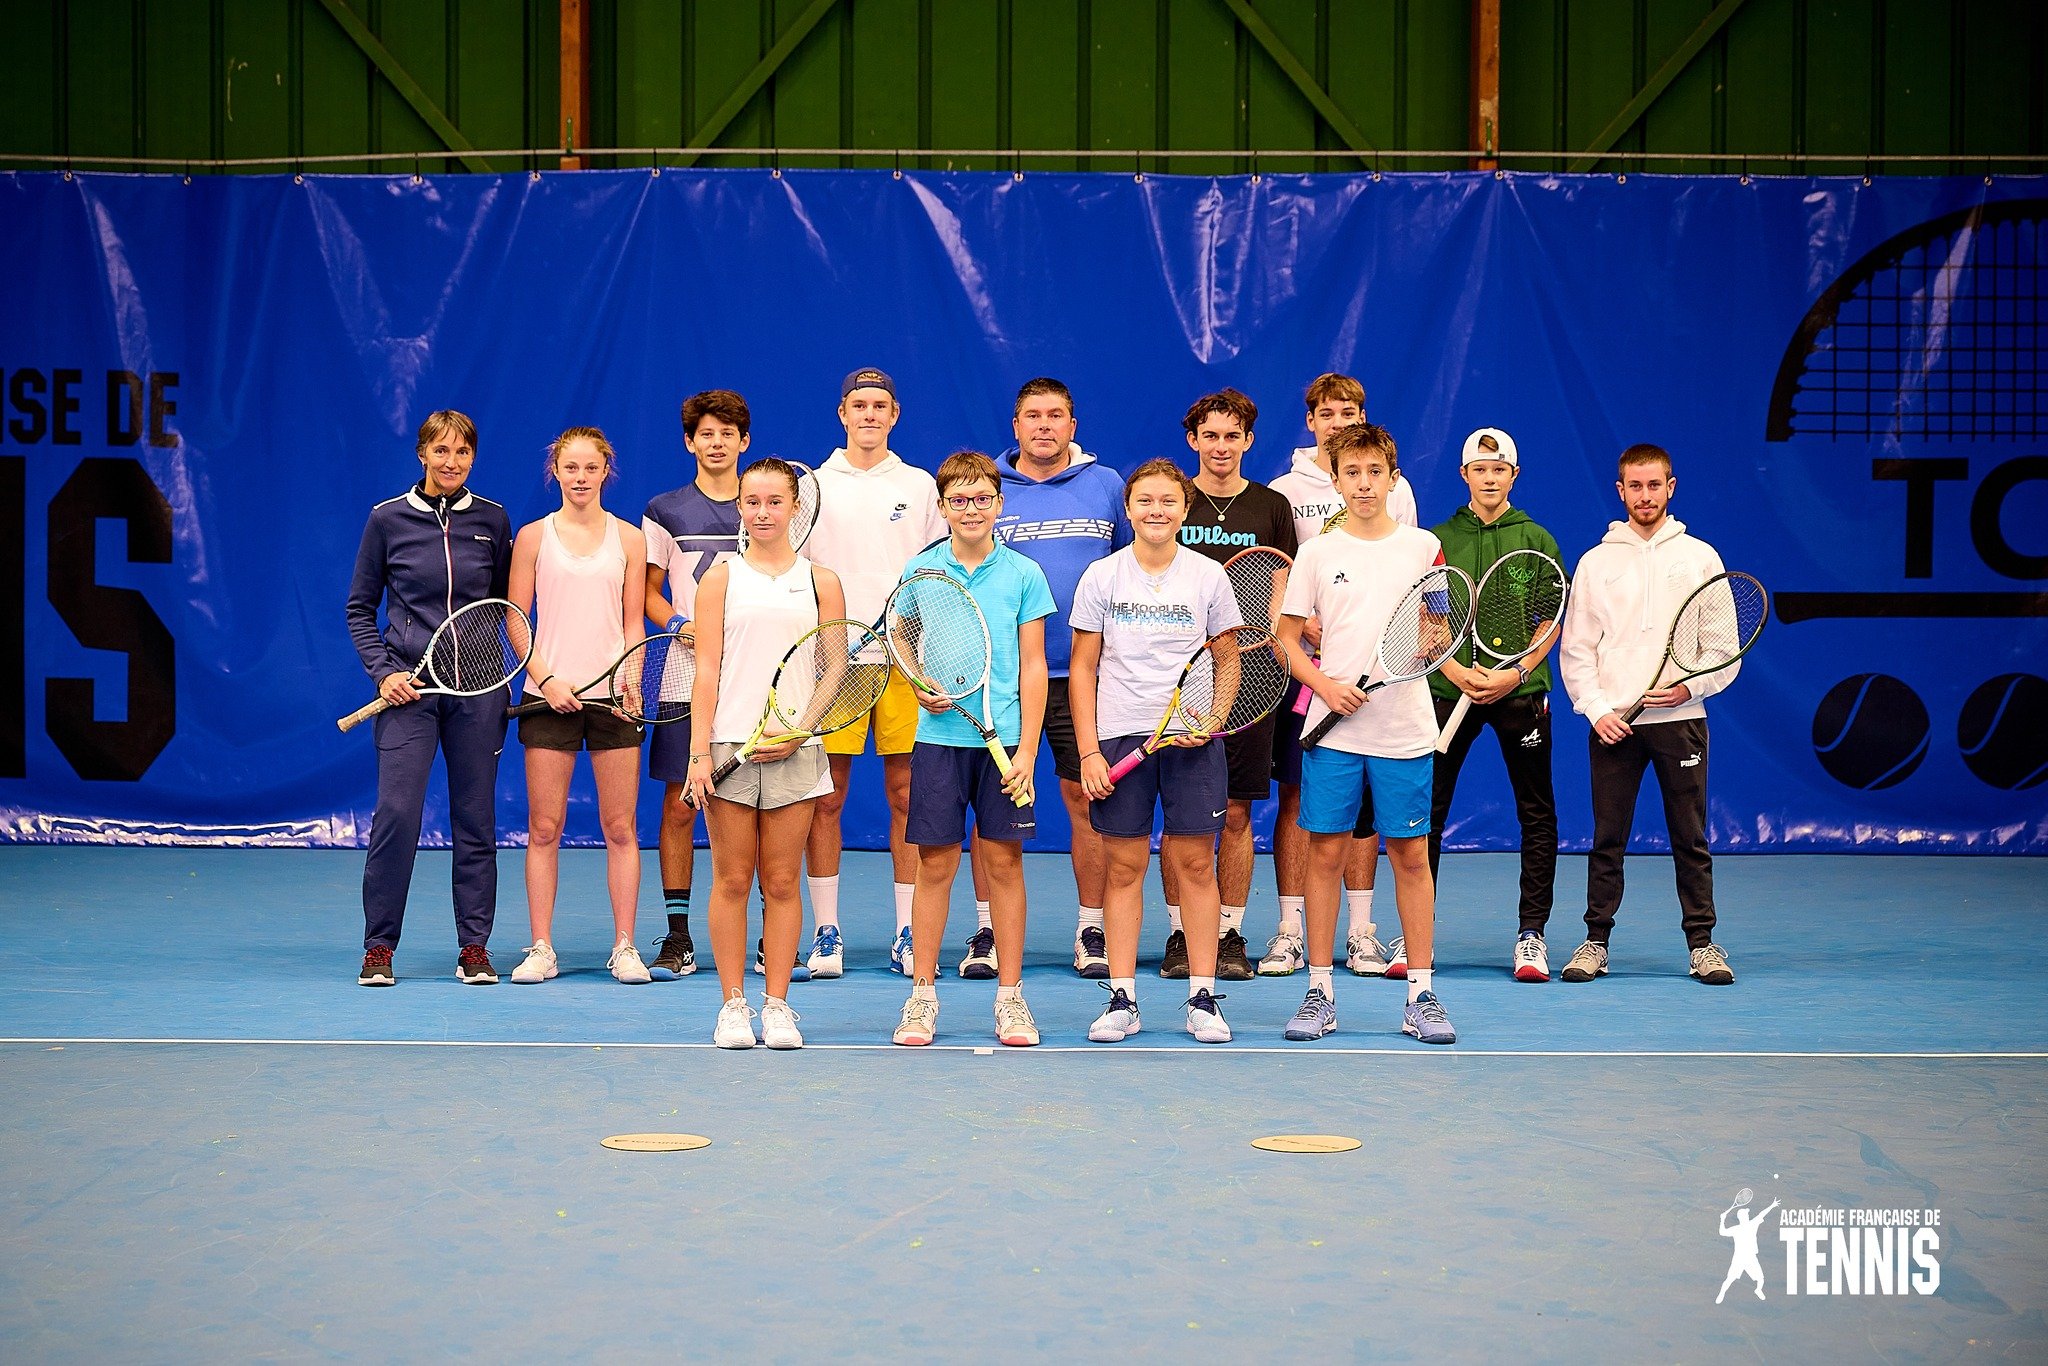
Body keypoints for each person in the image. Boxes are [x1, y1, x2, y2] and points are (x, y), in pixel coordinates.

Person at [1275, 422, 1456, 1045]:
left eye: (1374, 472)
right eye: (1351, 473)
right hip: (1333, 731)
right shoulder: (1319, 553)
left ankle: (1422, 994)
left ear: (1392, 477)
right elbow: (1287, 639)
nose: (1363, 484)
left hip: (1404, 730)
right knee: (1324, 854)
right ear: (1335, 478)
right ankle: (1319, 991)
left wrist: (1444, 659)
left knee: (1409, 855)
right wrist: (1324, 688)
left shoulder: (1421, 546)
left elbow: (1437, 629)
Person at [1070, 459, 1243, 1044]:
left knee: (1195, 863)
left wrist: (1214, 721)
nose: (1156, 511)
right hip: (1121, 734)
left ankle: (1202, 996)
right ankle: (1122, 997)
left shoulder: (1208, 577)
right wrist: (1089, 750)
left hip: (1191, 739)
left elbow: (1226, 658)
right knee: (1124, 867)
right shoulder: (1102, 577)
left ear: (1185, 509)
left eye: (1168, 501)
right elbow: (1084, 667)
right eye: (1145, 501)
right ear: (1128, 508)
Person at [1557, 444, 1740, 986]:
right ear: (1621, 491)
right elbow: (1577, 650)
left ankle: (1703, 945)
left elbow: (1723, 649)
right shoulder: (1595, 562)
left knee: (1691, 837)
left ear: (1671, 488)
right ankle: (1595, 942)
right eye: (1634, 487)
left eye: (1654, 486)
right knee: (1606, 837)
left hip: (1682, 723)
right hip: (1614, 726)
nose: (1645, 496)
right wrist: (1596, 710)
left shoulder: (1701, 558)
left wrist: (1688, 688)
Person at [890, 452, 1055, 1047]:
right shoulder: (921, 569)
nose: (971, 508)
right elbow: (900, 637)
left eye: (982, 497)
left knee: (1004, 863)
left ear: (999, 502)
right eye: (959, 499)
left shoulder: (1023, 574)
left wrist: (1029, 753)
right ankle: (922, 997)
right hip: (937, 740)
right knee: (936, 865)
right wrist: (915, 682)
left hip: (1004, 743)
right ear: (942, 506)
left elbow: (1035, 666)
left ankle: (1010, 999)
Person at [346, 410, 513, 986]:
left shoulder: (492, 520)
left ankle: (474, 947)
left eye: (462, 452)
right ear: (422, 454)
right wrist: (383, 672)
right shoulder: (386, 520)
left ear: (473, 457)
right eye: (441, 451)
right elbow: (359, 608)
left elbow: (501, 609)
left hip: (479, 694)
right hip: (406, 694)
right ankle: (379, 947)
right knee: (397, 815)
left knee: (477, 822)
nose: (451, 462)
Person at [687, 458, 848, 1050]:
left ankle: (777, 1004)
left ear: (794, 507)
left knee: (782, 881)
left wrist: (803, 731)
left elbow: (834, 670)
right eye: (751, 502)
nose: (762, 512)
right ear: (741, 508)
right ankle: (734, 1005)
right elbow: (707, 669)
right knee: (732, 878)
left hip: (798, 748)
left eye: (774, 502)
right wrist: (698, 752)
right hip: (730, 743)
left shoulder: (821, 581)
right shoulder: (721, 579)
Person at [1263, 373, 1417, 981]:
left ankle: (1362, 932)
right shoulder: (1284, 491)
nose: (1337, 420)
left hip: (1378, 676)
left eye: (1349, 410)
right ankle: (1290, 931)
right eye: (1326, 412)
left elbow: (1411, 584)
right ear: (1310, 422)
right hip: (1306, 669)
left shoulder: (1397, 496)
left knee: (1366, 808)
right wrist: (1305, 635)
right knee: (1302, 799)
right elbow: (1282, 584)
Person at [802, 368, 947, 979]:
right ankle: (827, 933)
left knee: (906, 799)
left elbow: (938, 574)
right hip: (834, 660)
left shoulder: (919, 486)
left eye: (879, 406)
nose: (868, 415)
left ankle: (907, 931)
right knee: (825, 798)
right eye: (858, 405)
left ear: (895, 414)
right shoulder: (809, 485)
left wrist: (923, 655)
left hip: (904, 661)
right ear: (842, 413)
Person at [992, 377, 1132, 978]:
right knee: (996, 804)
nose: (1044, 425)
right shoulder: (987, 489)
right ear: (1016, 426)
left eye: (1056, 416)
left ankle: (1092, 927)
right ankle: (985, 930)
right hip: (1000, 679)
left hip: (1086, 679)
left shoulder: (1107, 488)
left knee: (1086, 800)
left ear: (1073, 426)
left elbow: (1132, 566)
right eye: (1032, 416)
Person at [1159, 387, 1296, 983]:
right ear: (1193, 440)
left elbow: (1283, 590)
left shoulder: (1270, 507)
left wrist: (1256, 640)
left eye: (1231, 436)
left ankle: (1229, 933)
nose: (1220, 446)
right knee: (1180, 820)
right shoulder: (1169, 502)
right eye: (1209, 435)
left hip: (1250, 676)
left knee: (1236, 813)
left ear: (1248, 441)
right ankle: (1180, 936)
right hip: (1174, 679)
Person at [506, 428, 651, 987]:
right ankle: (541, 947)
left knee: (621, 826)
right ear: (556, 472)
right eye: (571, 467)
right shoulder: (533, 537)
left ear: (605, 471)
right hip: (549, 697)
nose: (581, 476)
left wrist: (632, 677)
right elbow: (516, 620)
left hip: (615, 698)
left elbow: (633, 620)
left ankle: (626, 946)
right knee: (544, 827)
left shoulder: (630, 540)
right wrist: (544, 679)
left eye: (591, 467)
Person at [1428, 427, 1566, 981]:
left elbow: (1548, 621)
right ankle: (1417, 934)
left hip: (1521, 694)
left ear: (1514, 475)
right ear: (1465, 475)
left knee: (1537, 813)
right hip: (1447, 690)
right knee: (1425, 815)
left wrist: (1516, 672)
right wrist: (1457, 671)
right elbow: (1430, 621)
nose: (1490, 478)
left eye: (1500, 469)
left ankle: (1531, 937)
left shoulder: (1538, 538)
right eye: (1479, 469)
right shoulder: (1435, 540)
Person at [640, 389, 749, 980]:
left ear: (744, 441)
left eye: (727, 434)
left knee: (763, 803)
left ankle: (757, 936)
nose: (716, 443)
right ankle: (679, 934)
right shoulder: (665, 509)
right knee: (682, 803)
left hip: (757, 675)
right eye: (705, 434)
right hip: (685, 672)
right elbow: (650, 592)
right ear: (690, 442)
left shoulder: (765, 501)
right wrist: (677, 622)